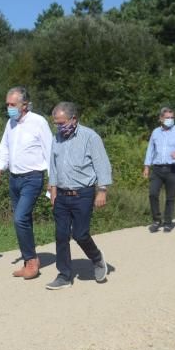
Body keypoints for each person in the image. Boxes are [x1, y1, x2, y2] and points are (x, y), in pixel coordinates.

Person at [45, 102, 112, 290]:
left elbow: (102, 164)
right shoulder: (56, 138)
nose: (58, 127)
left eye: (61, 122)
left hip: (83, 193)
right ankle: (64, 275)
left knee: (80, 234)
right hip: (62, 195)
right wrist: (52, 189)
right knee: (61, 235)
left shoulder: (90, 137)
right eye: (55, 123)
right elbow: (54, 165)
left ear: (73, 119)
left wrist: (102, 190)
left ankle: (97, 258)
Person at [0, 87, 52, 279]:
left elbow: (50, 150)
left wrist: (53, 181)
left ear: (24, 105)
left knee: (19, 218)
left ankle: (32, 261)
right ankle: (28, 261)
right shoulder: (10, 123)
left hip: (32, 178)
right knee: (22, 220)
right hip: (14, 179)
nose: (9, 108)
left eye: (13, 104)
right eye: (7, 104)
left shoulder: (38, 122)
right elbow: (5, 147)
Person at [143, 107, 175, 232]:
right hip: (157, 169)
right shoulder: (155, 132)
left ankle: (168, 222)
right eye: (167, 118)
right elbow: (150, 150)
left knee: (170, 196)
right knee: (153, 193)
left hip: (172, 168)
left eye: (172, 118)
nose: (170, 120)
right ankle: (156, 220)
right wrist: (146, 166)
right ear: (161, 119)